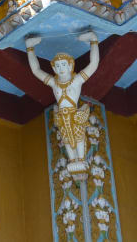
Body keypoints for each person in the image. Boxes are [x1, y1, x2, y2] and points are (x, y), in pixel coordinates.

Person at [26, 30, 99, 174]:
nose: (60, 68)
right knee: (66, 139)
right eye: (57, 66)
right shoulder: (54, 83)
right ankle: (73, 161)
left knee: (79, 137)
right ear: (53, 68)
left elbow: (94, 64)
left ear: (70, 65)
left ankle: (81, 160)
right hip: (62, 116)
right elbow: (36, 70)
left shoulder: (76, 80)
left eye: (63, 65)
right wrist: (30, 49)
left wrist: (93, 41)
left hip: (75, 114)